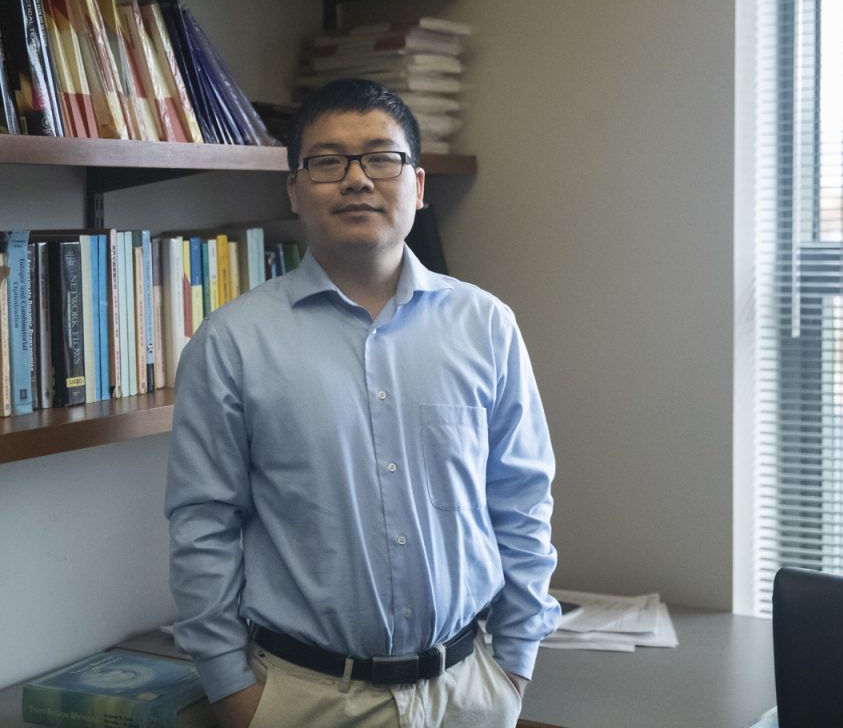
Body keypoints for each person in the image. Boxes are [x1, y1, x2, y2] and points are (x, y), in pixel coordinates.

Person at [165, 78, 561, 728]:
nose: (357, 179)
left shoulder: (486, 326)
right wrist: (231, 692)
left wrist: (513, 666)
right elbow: (203, 525)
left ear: (419, 185)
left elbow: (521, 503)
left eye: (382, 157)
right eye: (328, 161)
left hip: (468, 692)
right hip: (305, 698)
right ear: (295, 188)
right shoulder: (232, 342)